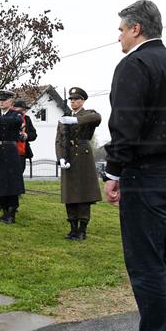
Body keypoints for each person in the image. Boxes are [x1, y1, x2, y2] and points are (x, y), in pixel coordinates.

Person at [103, 0, 166, 331]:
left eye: (122, 29)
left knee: (146, 260)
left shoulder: (134, 64)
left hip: (148, 172)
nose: (119, 37)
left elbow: (126, 124)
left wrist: (113, 172)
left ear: (136, 28)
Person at [55, 87, 101, 240]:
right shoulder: (64, 118)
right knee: (70, 194)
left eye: (76, 99)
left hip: (82, 157)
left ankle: (82, 229)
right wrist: (60, 157)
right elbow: (59, 140)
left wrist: (76, 120)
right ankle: (72, 228)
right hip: (67, 156)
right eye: (71, 99)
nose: (73, 101)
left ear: (82, 101)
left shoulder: (87, 114)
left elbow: (97, 117)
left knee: (83, 194)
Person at [0, 90, 25, 224]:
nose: (1, 102)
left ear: (11, 102)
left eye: (4, 100)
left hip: (10, 150)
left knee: (12, 183)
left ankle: (11, 213)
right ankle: (4, 211)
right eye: (0, 100)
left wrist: (1, 119)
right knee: (0, 182)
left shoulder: (15, 114)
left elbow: (17, 121)